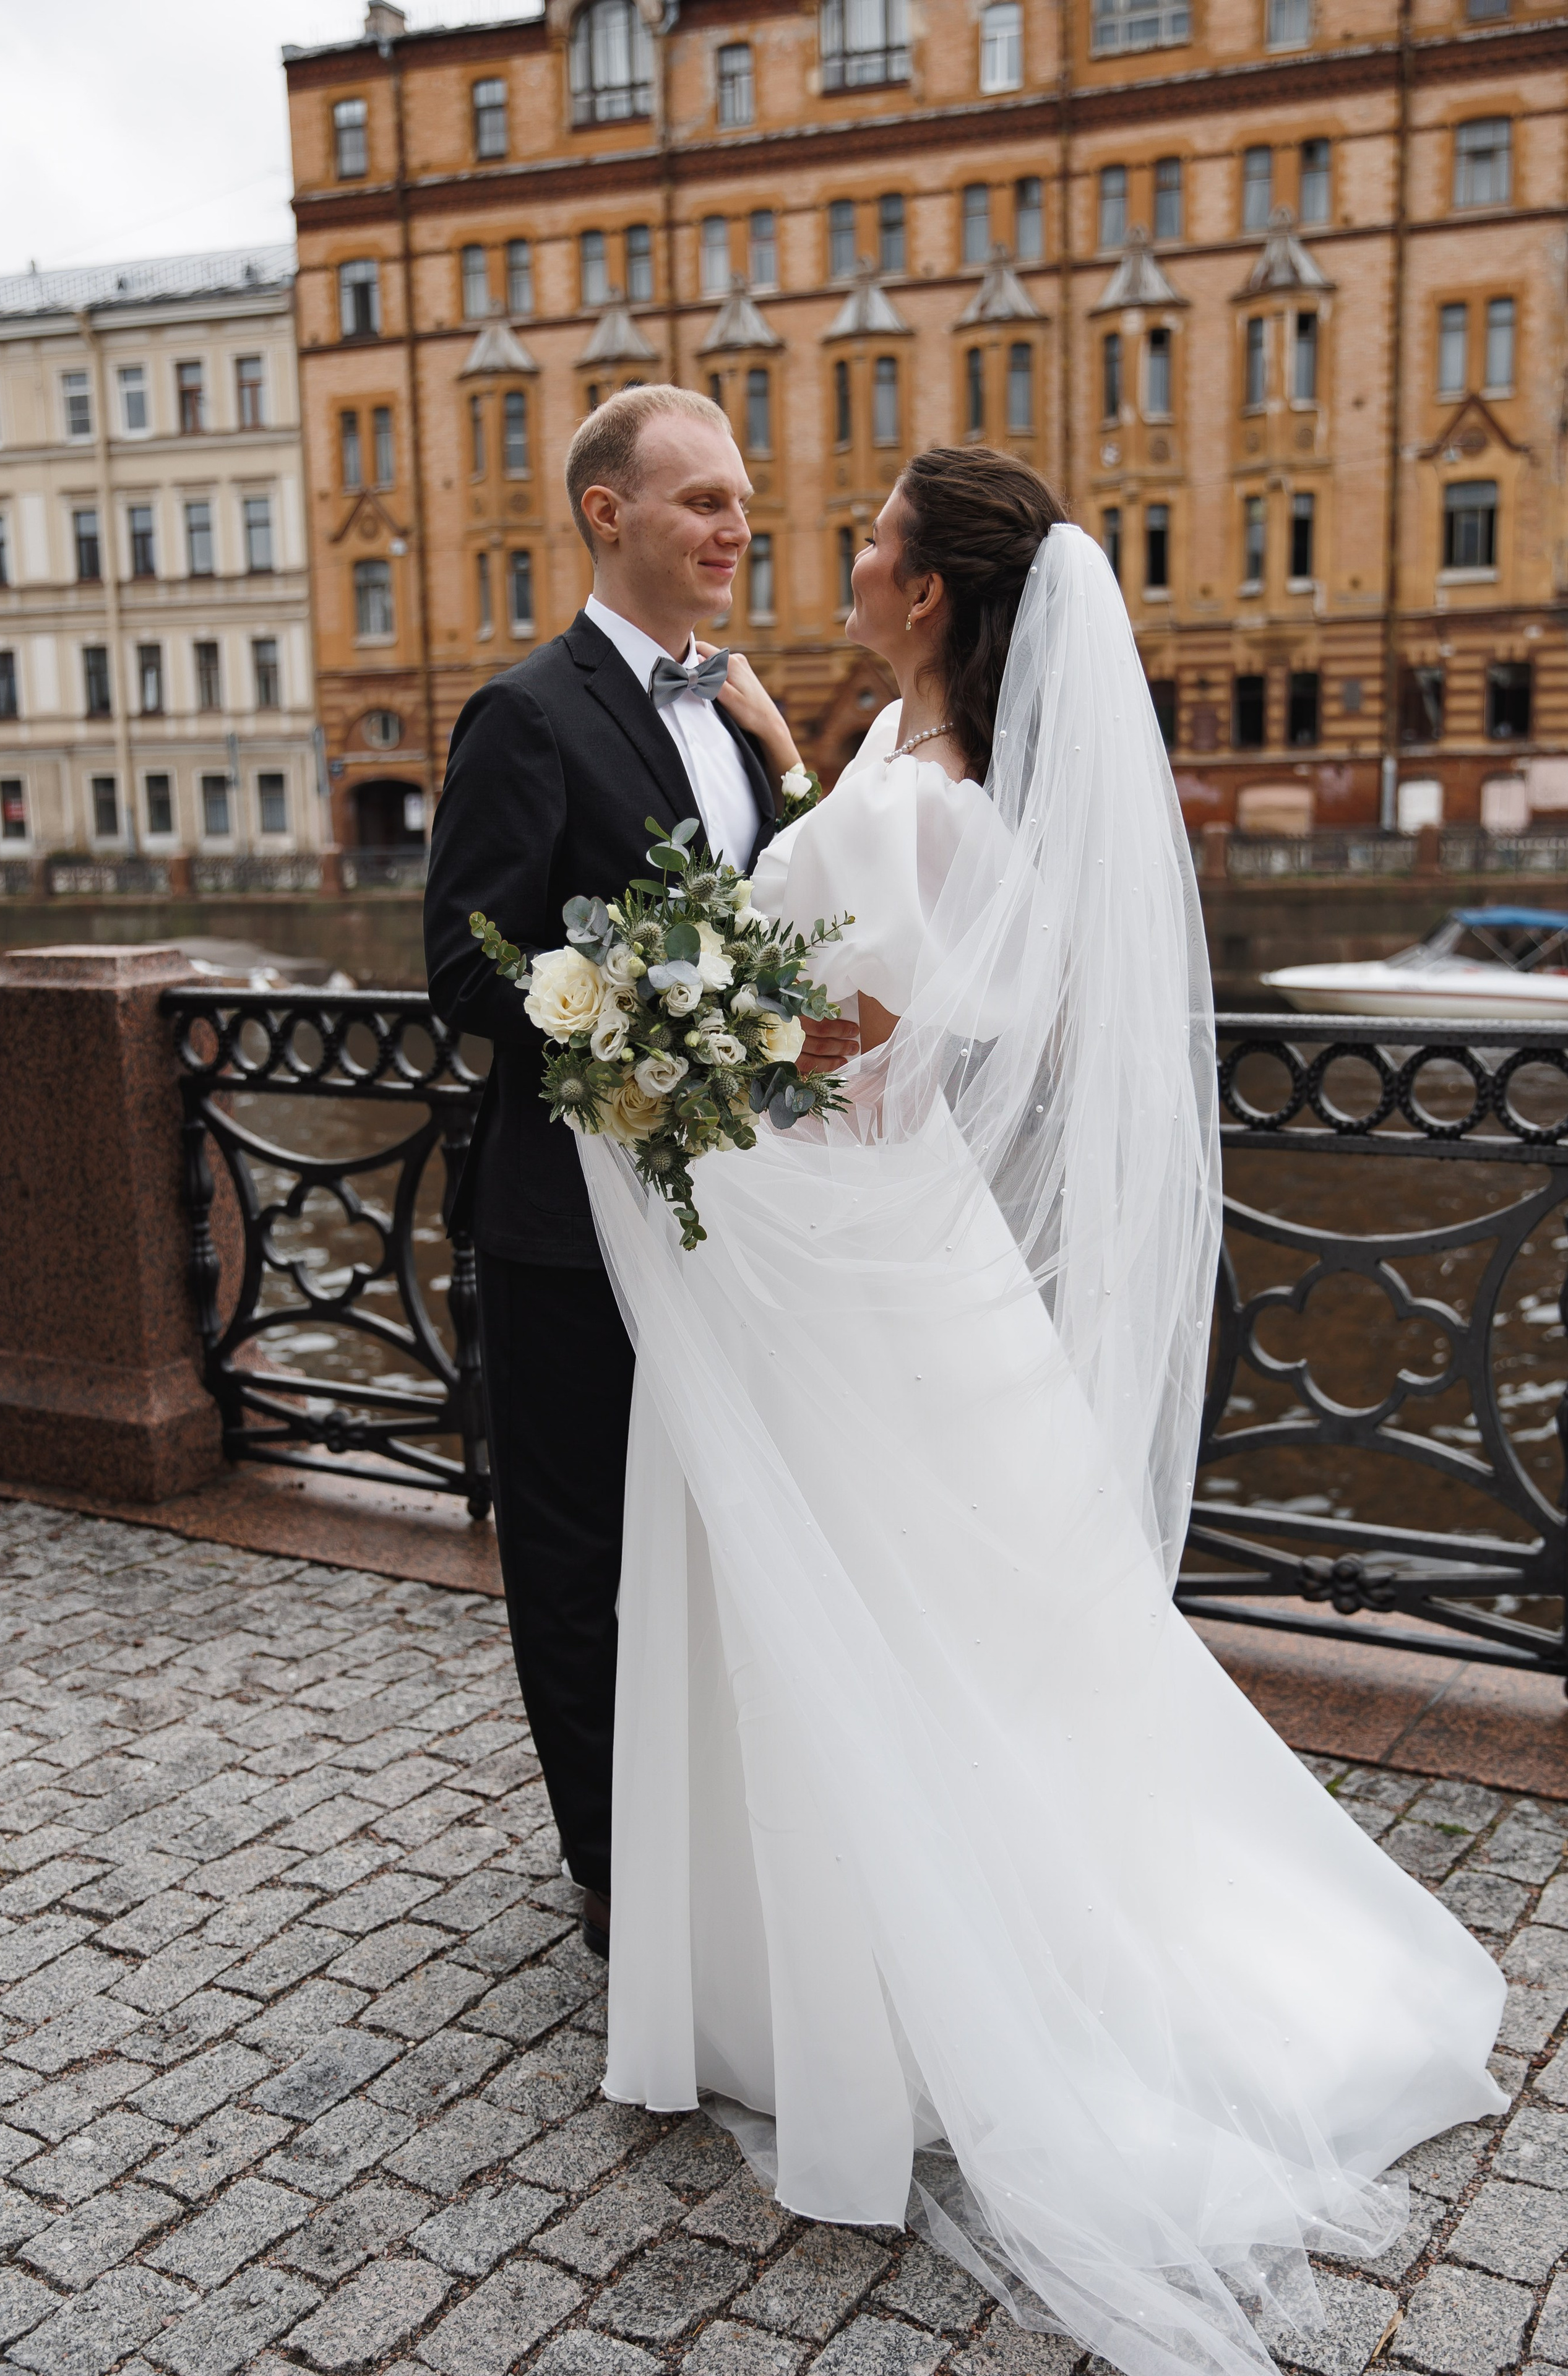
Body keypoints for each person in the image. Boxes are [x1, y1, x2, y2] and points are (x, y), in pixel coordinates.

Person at [574, 446, 1507, 2376]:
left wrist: (665, 1043)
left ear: (926, 593)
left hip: (836, 1264)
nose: (843, 556)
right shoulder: (945, 790)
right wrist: (789, 786)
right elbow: (909, 1012)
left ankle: (868, 1993)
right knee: (954, 1624)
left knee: (857, 1611)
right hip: (915, 1249)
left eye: (871, 542)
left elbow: (838, 1043)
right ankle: (933, 1949)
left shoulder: (906, 805)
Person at [423, 385, 809, 1960]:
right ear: (608, 511)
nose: (735, 529)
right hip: (568, 1223)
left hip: (723, 1220)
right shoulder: (525, 713)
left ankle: (711, 1829)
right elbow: (463, 967)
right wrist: (645, 1010)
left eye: (741, 503)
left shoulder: (734, 712)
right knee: (577, 1551)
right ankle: (614, 1873)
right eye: (703, 500)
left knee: (713, 1533)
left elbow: (775, 918)